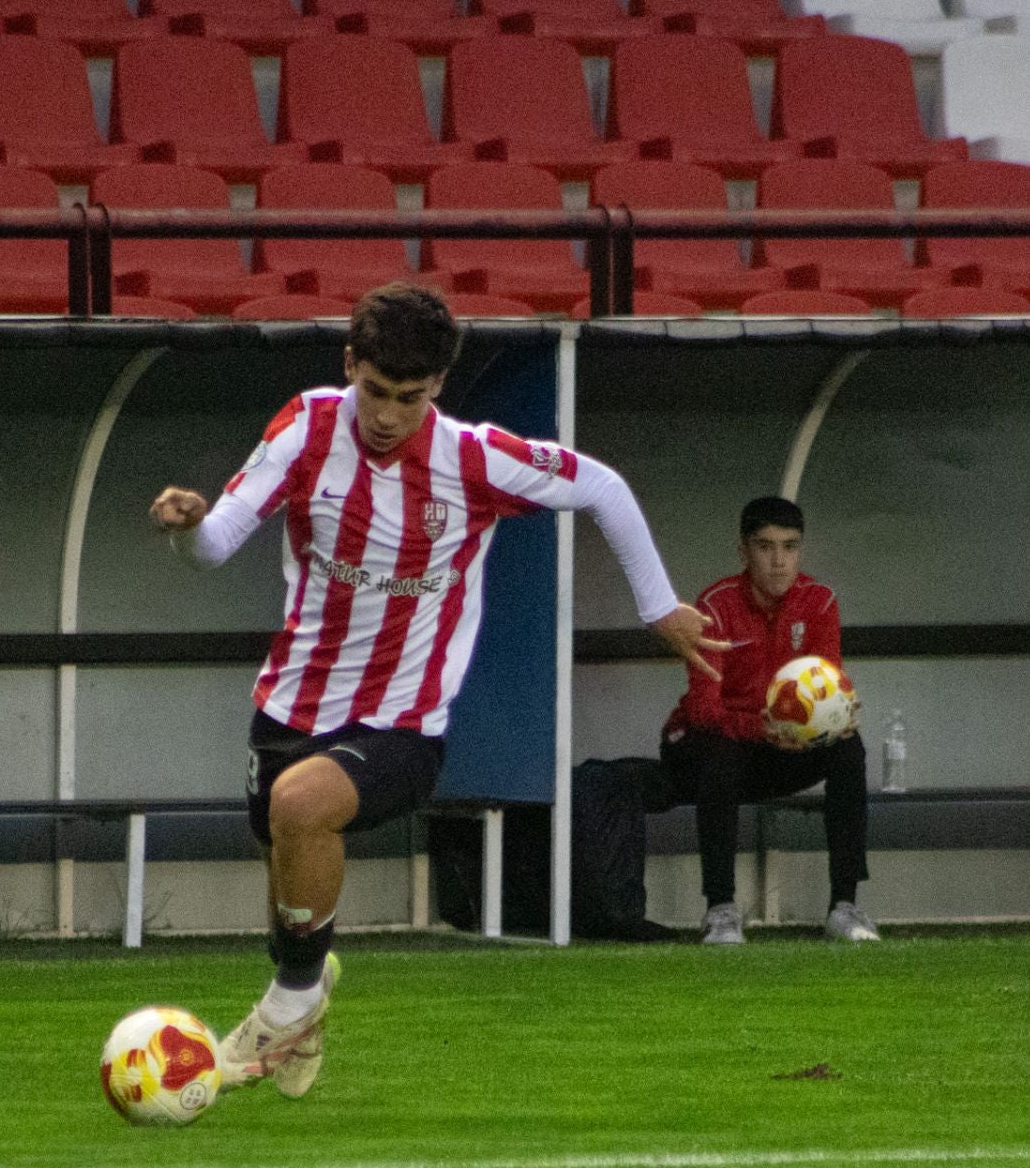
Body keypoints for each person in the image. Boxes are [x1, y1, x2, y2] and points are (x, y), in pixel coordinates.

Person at [149, 282, 724, 1097]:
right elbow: (215, 547)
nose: (387, 414)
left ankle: (288, 1005)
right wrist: (187, 528)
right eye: (375, 392)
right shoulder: (308, 427)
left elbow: (603, 486)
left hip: (403, 720)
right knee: (289, 873)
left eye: (409, 398)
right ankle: (303, 999)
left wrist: (658, 605)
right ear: (350, 365)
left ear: (439, 386)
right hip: (290, 701)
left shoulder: (473, 458)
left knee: (300, 808)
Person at [660, 496, 877, 945]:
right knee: (719, 753)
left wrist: (836, 718)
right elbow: (703, 711)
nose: (779, 562)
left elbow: (828, 682)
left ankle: (845, 907)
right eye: (765, 547)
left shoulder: (819, 602)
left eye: (790, 547)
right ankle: (720, 910)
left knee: (849, 749)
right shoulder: (714, 607)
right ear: (744, 552)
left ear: (801, 550)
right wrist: (763, 729)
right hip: (701, 748)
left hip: (779, 749)